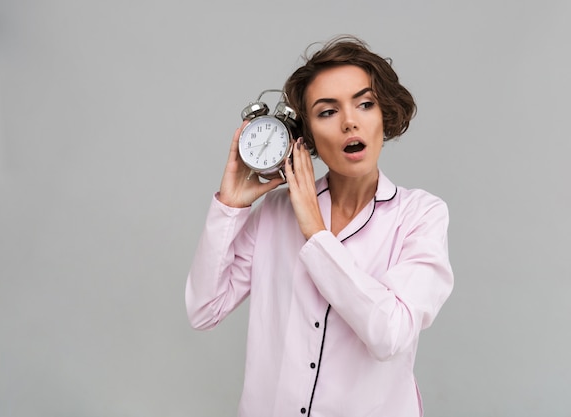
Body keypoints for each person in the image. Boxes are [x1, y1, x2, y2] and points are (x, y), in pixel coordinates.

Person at [186, 35, 454, 417]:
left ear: (385, 115)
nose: (349, 122)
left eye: (365, 104)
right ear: (307, 133)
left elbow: (389, 335)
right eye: (328, 112)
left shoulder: (420, 216)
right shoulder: (277, 213)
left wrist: (316, 233)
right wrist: (229, 207)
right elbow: (204, 310)